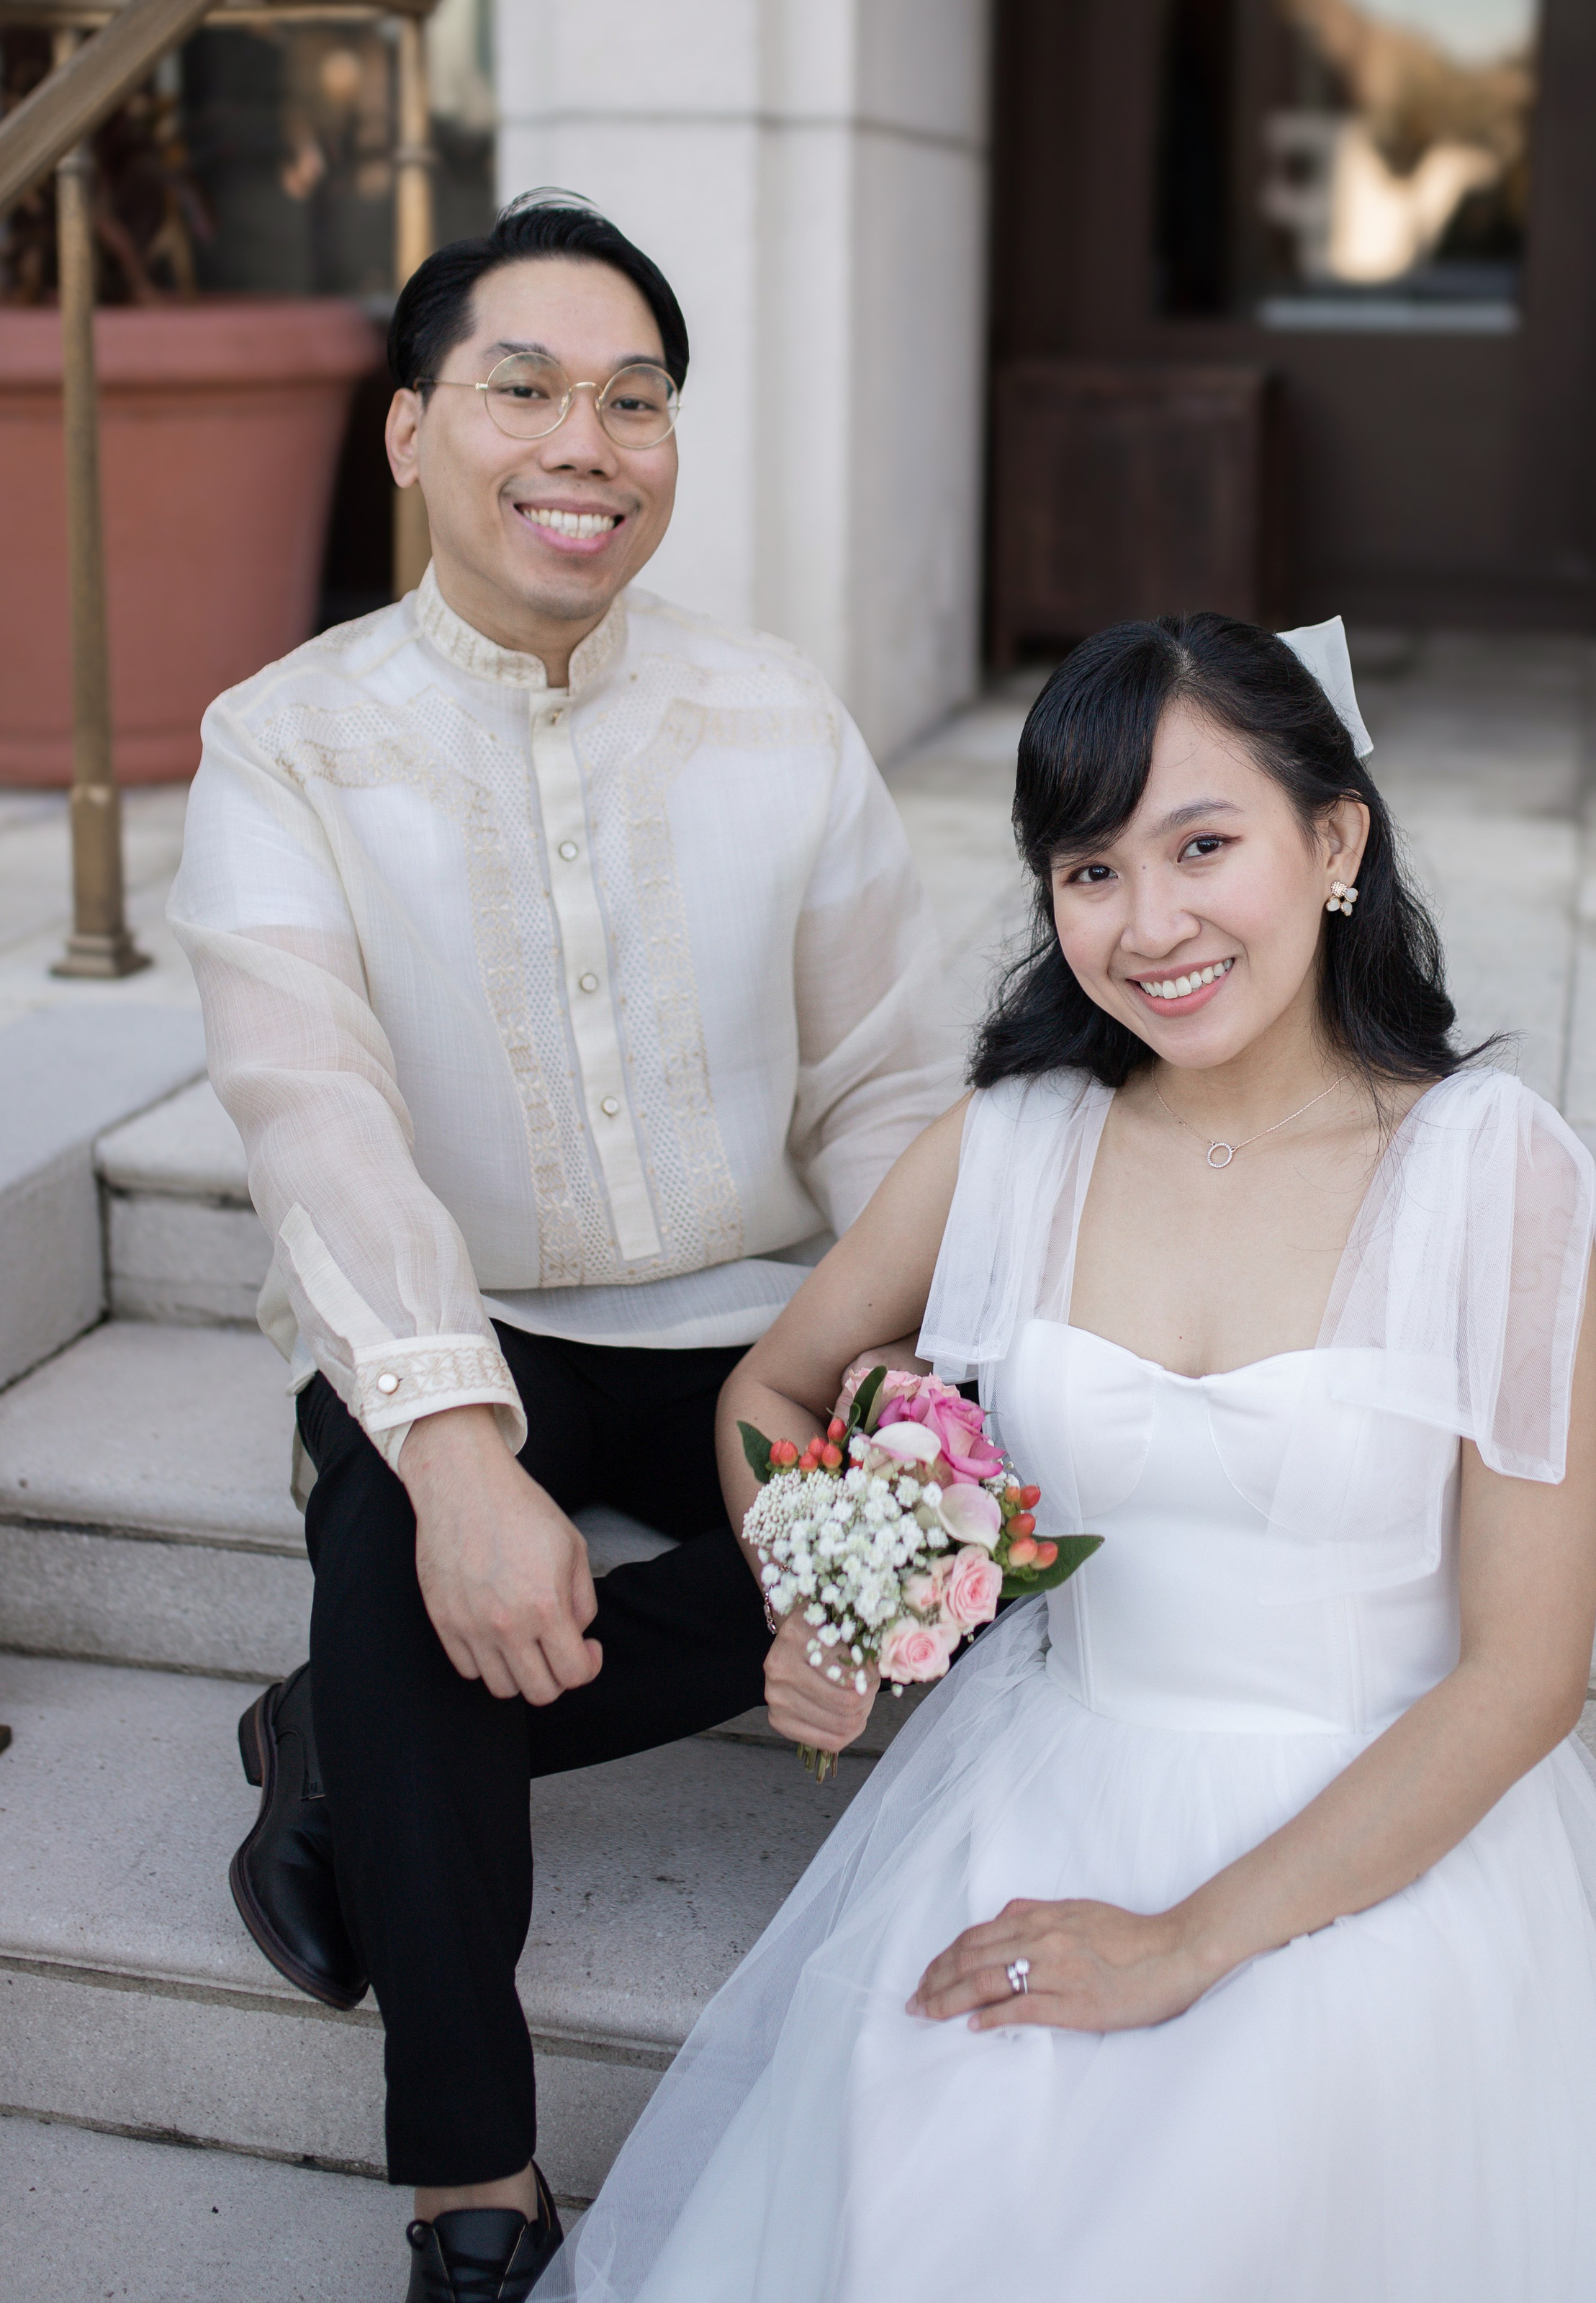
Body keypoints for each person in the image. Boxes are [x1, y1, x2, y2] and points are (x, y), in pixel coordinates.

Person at [542, 613, 1596, 2303]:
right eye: (1087, 871)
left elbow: (1522, 1678)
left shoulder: (1488, 1176)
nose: (1146, 925)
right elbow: (773, 1391)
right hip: (1045, 1792)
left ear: (1333, 843)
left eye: (1202, 846)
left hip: (1376, 1836)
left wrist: (1184, 1945)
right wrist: (819, 1600)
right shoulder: (1014, 1141)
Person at [169, 190, 957, 2302]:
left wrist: (885, 1368)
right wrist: (444, 1445)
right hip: (464, 1318)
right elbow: (315, 1119)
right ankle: (476, 2192)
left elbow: (885, 1080)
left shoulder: (779, 718)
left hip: (754, 1318)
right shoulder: (286, 743)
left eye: (636, 399)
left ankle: (344, 1740)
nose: (584, 442)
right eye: (523, 387)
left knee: (981, 1536)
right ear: (413, 429)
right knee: (409, 1572)